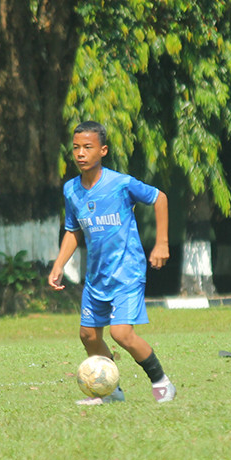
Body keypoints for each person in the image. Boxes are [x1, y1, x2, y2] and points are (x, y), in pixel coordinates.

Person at [49, 121, 176, 405]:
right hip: (96, 277)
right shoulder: (71, 190)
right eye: (76, 148)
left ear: (103, 150)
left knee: (121, 333)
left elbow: (160, 198)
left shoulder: (121, 184)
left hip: (127, 272)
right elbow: (73, 230)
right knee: (88, 336)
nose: (80, 153)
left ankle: (161, 382)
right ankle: (110, 391)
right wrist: (58, 265)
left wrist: (162, 243)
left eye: (88, 147)